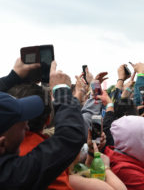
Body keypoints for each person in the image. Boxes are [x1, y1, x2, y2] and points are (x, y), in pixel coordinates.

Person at [0, 60, 86, 189]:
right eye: (22, 120)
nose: (27, 126)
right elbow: (70, 136)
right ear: (2, 144)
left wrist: (13, 76)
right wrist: (61, 90)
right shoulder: (13, 176)